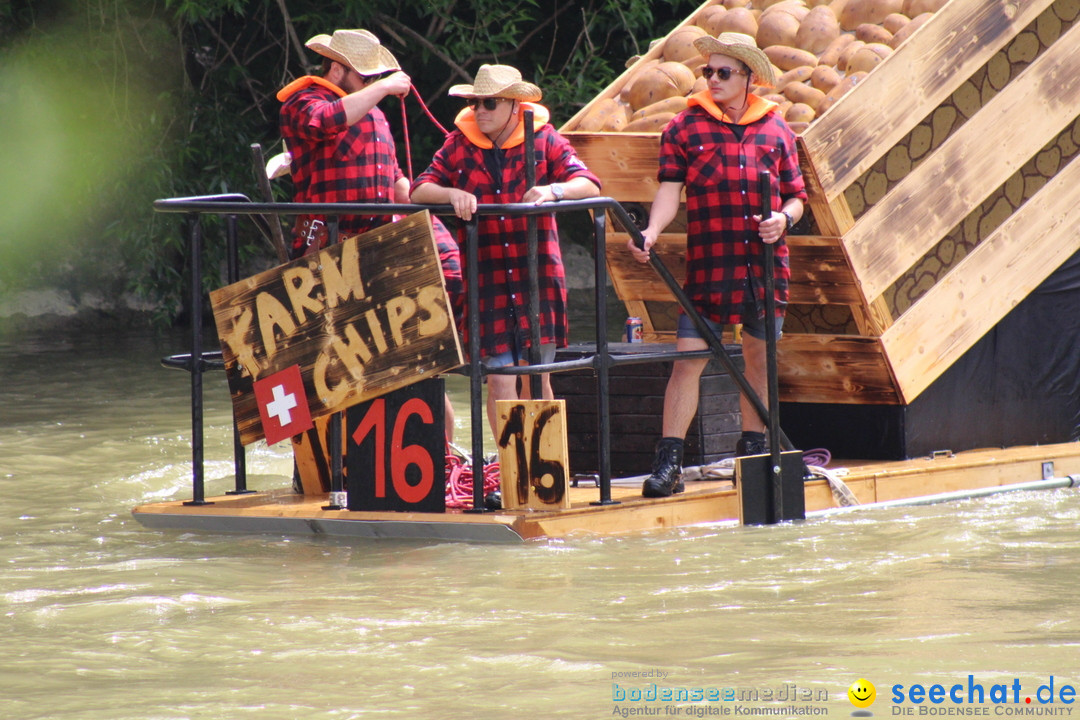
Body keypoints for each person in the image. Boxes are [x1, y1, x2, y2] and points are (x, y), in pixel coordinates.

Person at [627, 32, 807, 498]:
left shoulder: (776, 129)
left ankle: (752, 457)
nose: (713, 80)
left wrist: (783, 219)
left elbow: (797, 197)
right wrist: (650, 231)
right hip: (708, 266)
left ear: (749, 78)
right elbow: (669, 188)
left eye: (724, 72)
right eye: (709, 71)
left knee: (759, 361)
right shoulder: (684, 127)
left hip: (764, 268)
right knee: (689, 361)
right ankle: (668, 464)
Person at [276, 28, 463, 440]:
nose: (374, 86)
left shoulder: (374, 113)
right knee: (328, 358)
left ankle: (441, 452)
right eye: (368, 78)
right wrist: (384, 89)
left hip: (375, 247)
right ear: (340, 70)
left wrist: (413, 213)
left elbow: (394, 176)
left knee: (415, 330)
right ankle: (323, 460)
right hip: (325, 246)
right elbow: (328, 119)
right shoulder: (302, 102)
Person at [410, 64, 602, 439]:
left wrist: (553, 191)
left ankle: (544, 470)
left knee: (536, 378)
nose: (480, 110)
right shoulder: (458, 143)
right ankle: (506, 470)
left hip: (538, 277)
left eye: (490, 103)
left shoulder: (544, 138)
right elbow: (419, 190)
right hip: (488, 278)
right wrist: (451, 194)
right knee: (500, 379)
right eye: (475, 102)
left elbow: (590, 184)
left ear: (515, 105)